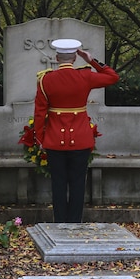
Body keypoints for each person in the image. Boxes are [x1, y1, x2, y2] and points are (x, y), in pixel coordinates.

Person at [31, 39, 119, 223]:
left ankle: (60, 224)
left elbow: (39, 113)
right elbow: (112, 76)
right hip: (80, 138)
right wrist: (91, 60)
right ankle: (75, 224)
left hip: (54, 139)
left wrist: (40, 139)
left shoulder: (45, 79)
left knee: (58, 183)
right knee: (78, 183)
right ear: (74, 58)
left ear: (56, 57)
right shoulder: (85, 76)